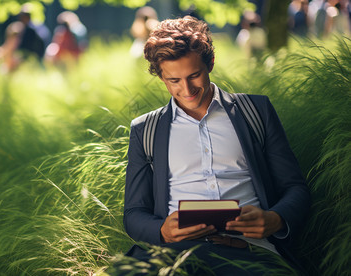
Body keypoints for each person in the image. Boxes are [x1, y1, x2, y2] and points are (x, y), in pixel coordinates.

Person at [123, 16, 311, 275]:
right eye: (173, 81)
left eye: (194, 75)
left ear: (210, 63)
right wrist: (162, 231)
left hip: (250, 251)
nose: (187, 89)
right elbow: (134, 212)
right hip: (175, 253)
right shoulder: (146, 129)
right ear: (161, 77)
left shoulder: (255, 111)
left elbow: (295, 188)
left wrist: (275, 219)